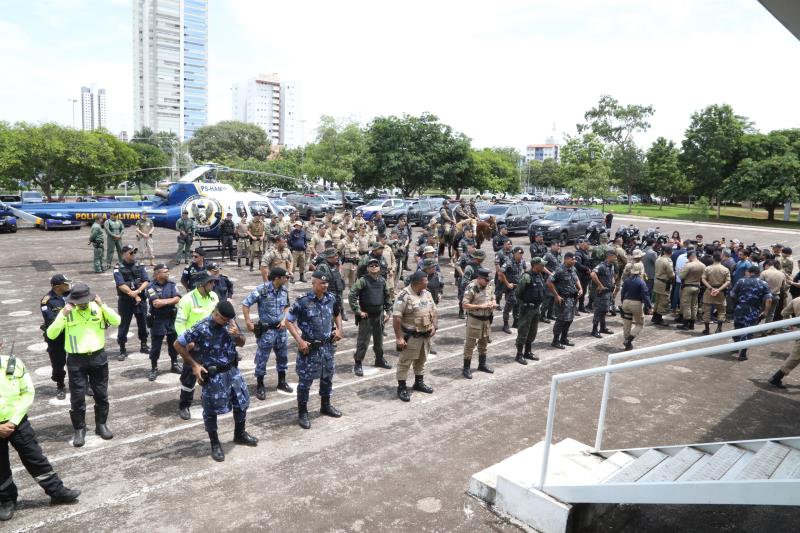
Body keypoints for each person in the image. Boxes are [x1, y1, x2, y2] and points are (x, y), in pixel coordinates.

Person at [0, 341, 81, 521]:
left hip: (18, 422)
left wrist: (12, 422)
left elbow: (27, 392)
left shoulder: (13, 363)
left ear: (1, 343)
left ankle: (57, 492)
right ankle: (6, 500)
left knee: (35, 458)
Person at [174, 301, 256, 462]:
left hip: (232, 370)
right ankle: (215, 443)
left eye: (229, 320)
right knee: (211, 410)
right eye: (224, 319)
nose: (228, 322)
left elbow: (242, 342)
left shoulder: (230, 322)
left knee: (242, 402)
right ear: (216, 314)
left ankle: (239, 434)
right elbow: (178, 344)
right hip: (214, 375)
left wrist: (237, 335)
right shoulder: (201, 327)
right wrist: (195, 365)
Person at [46, 282, 121, 447]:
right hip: (76, 360)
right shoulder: (66, 312)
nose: (83, 304)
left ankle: (101, 425)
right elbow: (51, 334)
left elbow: (116, 321)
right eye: (79, 302)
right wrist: (62, 316)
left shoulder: (97, 307)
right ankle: (79, 429)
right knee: (77, 397)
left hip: (98, 357)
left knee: (101, 394)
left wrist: (103, 305)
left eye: (85, 301)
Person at [285, 271, 344, 429]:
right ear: (313, 283)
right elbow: (289, 321)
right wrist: (299, 340)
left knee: (327, 377)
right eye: (321, 283)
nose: (324, 286)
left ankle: (325, 405)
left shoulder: (330, 298)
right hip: (309, 349)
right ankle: (302, 412)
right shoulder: (303, 301)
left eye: (326, 283)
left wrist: (339, 329)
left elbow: (337, 313)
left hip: (327, 347)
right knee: (305, 382)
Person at [242, 267, 292, 401]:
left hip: (281, 330)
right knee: (262, 358)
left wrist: (284, 319)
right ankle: (260, 385)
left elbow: (287, 306)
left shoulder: (284, 290)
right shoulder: (262, 290)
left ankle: (282, 382)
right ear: (277, 278)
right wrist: (248, 322)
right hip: (267, 331)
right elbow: (246, 304)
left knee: (283, 357)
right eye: (284, 277)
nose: (286, 279)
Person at [175, 272, 220, 420]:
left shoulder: (214, 296)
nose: (213, 285)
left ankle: (207, 399)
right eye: (210, 282)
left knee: (210, 372)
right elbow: (179, 323)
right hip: (194, 345)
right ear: (201, 284)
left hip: (212, 344)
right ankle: (184, 404)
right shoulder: (187, 300)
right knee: (190, 376)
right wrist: (187, 341)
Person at [392, 271, 437, 401]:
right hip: (411, 336)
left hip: (425, 335)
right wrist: (399, 338)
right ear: (417, 282)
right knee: (405, 363)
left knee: (421, 361)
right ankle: (401, 387)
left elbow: (433, 310)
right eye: (425, 280)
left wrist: (435, 325)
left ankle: (418, 383)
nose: (428, 282)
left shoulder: (427, 293)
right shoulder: (404, 296)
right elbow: (396, 317)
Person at [350, 258, 393, 376]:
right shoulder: (362, 281)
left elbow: (387, 296)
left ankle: (379, 359)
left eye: (376, 265)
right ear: (367, 268)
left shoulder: (382, 281)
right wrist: (358, 311)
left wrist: (388, 311)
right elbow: (352, 295)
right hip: (366, 316)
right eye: (371, 265)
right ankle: (358, 362)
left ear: (379, 268)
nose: (374, 267)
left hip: (379, 315)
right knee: (363, 342)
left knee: (379, 340)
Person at [114, 245, 150, 361]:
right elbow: (120, 284)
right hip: (126, 301)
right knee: (124, 324)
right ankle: (122, 348)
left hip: (141, 299)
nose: (133, 254)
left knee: (143, 322)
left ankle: (144, 345)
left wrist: (138, 292)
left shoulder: (140, 265)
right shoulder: (118, 268)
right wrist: (132, 294)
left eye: (134, 252)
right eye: (131, 253)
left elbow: (146, 281)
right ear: (124, 254)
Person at [146, 264, 181, 381]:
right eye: (165, 272)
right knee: (156, 346)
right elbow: (156, 303)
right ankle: (154, 368)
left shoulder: (172, 284)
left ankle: (174, 364)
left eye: (168, 271)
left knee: (173, 343)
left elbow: (177, 298)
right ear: (157, 274)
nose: (168, 273)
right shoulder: (151, 286)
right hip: (158, 320)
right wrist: (170, 301)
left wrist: (164, 302)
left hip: (171, 318)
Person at [729, 265, 773, 361]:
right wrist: (765, 312)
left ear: (749, 272)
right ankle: (743, 353)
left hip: (740, 307)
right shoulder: (763, 283)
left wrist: (736, 304)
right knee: (748, 331)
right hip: (753, 310)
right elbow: (769, 299)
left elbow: (732, 294)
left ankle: (736, 346)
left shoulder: (741, 281)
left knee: (738, 328)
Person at [40, 274, 71, 399]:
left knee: (80, 361)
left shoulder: (71, 295)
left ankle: (84, 384)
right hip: (57, 337)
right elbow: (50, 320)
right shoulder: (47, 301)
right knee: (58, 363)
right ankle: (60, 384)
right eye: (65, 283)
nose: (68, 285)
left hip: (73, 334)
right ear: (58, 286)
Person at [461, 267, 495, 378]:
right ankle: (466, 368)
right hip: (475, 320)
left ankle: (482, 364)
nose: (488, 281)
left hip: (486, 320)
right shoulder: (472, 287)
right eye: (486, 280)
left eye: (489, 279)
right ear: (479, 278)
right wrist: (480, 306)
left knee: (483, 344)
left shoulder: (489, 285)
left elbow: (492, 296)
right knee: (470, 345)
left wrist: (493, 302)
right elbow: (465, 304)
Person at [515, 257, 547, 363]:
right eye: (541, 265)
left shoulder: (539, 275)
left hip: (536, 309)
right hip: (527, 309)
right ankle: (519, 355)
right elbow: (518, 293)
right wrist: (523, 304)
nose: (543, 266)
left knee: (532, 332)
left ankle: (527, 352)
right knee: (523, 332)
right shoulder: (526, 277)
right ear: (535, 265)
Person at [548, 252, 582, 349]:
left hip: (572, 298)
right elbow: (549, 282)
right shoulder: (559, 270)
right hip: (563, 299)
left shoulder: (572, 269)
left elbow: (576, 279)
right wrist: (556, 295)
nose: (574, 261)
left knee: (569, 319)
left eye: (575, 259)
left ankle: (564, 338)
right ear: (566, 259)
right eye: (573, 259)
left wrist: (580, 289)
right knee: (561, 320)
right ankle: (555, 340)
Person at [767, 294, 800, 388]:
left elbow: (784, 313)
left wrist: (791, 324)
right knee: (795, 357)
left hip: (798, 332)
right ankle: (776, 377)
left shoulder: (797, 300)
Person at [620, 263, 651, 351]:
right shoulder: (641, 282)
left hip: (625, 302)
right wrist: (649, 306)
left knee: (627, 323)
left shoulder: (627, 280)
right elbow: (645, 295)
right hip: (636, 303)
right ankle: (628, 340)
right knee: (640, 324)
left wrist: (623, 302)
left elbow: (622, 293)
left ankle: (627, 342)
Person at [701, 252, 731, 335]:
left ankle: (707, 329)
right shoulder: (725, 269)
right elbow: (728, 282)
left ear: (713, 259)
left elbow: (703, 279)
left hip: (709, 291)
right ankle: (719, 328)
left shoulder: (707, 268)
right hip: (720, 292)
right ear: (721, 259)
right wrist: (719, 289)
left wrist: (710, 288)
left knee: (706, 310)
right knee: (721, 310)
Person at [315, 247, 348, 322]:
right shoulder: (323, 267)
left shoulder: (334, 265)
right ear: (329, 257)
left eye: (337, 255)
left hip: (337, 296)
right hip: (328, 298)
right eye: (335, 256)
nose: (337, 257)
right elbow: (319, 284)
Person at [590, 250, 617, 338]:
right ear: (609, 256)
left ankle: (603, 327)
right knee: (599, 311)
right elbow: (593, 274)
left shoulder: (611, 265)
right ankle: (594, 330)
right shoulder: (602, 266)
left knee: (604, 310)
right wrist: (600, 285)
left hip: (608, 292)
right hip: (602, 293)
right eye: (614, 256)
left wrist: (613, 282)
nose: (616, 258)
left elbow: (612, 276)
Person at [498, 246, 524, 333]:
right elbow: (501, 272)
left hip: (518, 287)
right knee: (509, 306)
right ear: (514, 253)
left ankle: (515, 323)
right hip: (511, 288)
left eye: (522, 254)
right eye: (519, 254)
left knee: (518, 305)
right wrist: (507, 283)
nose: (521, 256)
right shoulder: (509, 262)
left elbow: (525, 269)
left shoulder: (522, 261)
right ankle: (505, 325)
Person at [677, 249, 705, 331]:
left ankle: (686, 324)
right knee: (694, 306)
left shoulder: (689, 265)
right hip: (697, 286)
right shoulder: (703, 265)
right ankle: (692, 324)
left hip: (688, 286)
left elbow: (681, 276)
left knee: (686, 306)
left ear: (690, 256)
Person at [651, 246, 675, 326]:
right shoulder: (668, 261)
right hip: (664, 283)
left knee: (657, 300)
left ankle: (655, 317)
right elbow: (671, 274)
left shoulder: (658, 259)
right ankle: (659, 318)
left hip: (657, 281)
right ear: (671, 253)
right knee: (663, 301)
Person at [760, 260, 786, 325]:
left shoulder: (764, 273)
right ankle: (766, 331)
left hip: (765, 296)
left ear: (767, 265)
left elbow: (759, 285)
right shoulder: (781, 274)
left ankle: (754, 329)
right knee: (771, 314)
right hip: (775, 296)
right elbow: (784, 286)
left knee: (760, 312)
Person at [574, 240, 592, 313]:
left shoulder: (586, 252)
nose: (589, 246)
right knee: (578, 292)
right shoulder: (578, 253)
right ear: (583, 245)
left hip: (585, 276)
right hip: (580, 276)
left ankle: (581, 307)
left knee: (584, 292)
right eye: (588, 244)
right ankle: (574, 308)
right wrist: (587, 269)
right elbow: (578, 264)